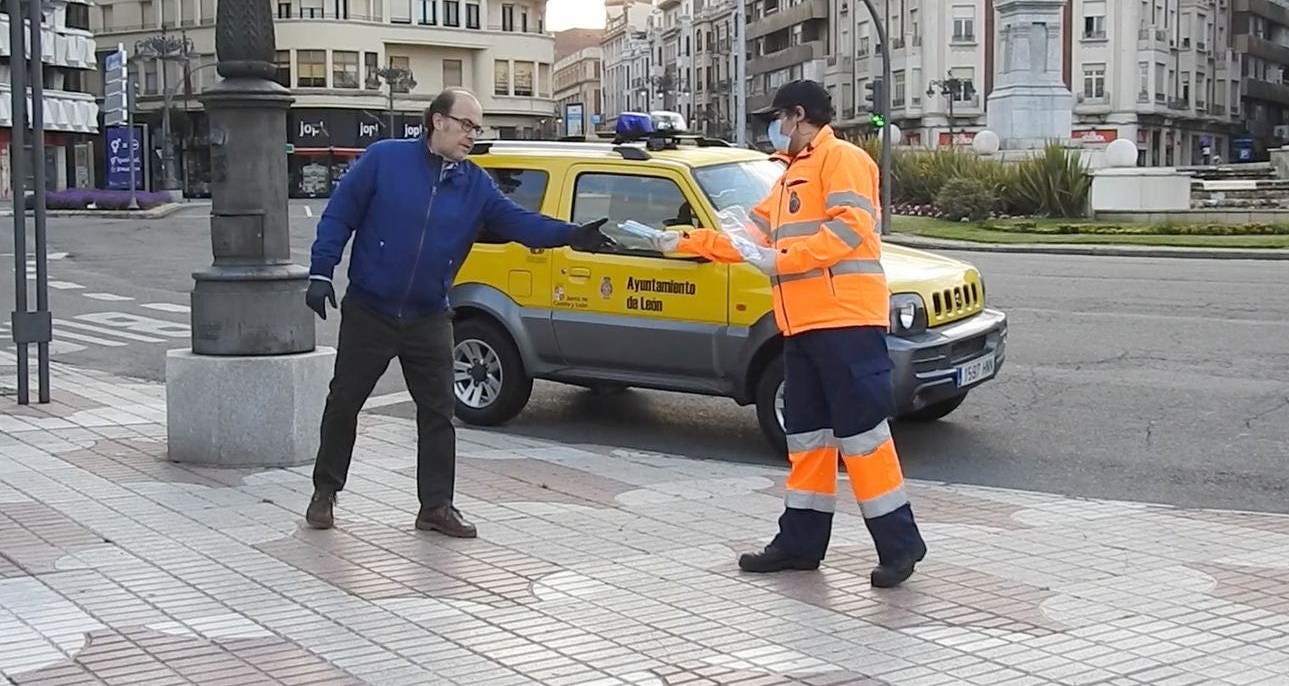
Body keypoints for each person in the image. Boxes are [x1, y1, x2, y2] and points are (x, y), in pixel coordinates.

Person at [645, 80, 927, 588]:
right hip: (802, 326)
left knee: (863, 440)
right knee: (808, 441)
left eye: (779, 117)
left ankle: (901, 546)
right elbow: (749, 238)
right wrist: (684, 241)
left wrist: (783, 259)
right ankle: (799, 545)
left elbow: (850, 231)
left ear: (799, 115)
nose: (774, 127)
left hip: (845, 322)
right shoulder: (789, 175)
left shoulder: (842, 159)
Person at [303, 88, 611, 536]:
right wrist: (320, 273)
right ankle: (325, 492)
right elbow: (339, 215)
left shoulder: (475, 186)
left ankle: (436, 507)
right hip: (370, 308)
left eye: (476, 127)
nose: (472, 134)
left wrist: (571, 236)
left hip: (429, 314)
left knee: (438, 413)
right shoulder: (384, 160)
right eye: (466, 124)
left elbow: (520, 223)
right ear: (437, 121)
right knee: (344, 403)